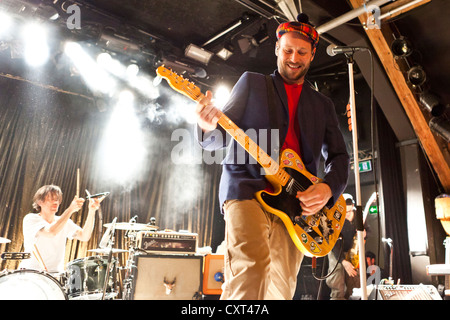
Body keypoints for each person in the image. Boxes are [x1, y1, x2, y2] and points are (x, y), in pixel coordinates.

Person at [195, 14, 349, 300]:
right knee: (250, 271)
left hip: (295, 204)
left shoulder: (322, 105)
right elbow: (220, 135)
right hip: (247, 188)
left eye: (301, 52)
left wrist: (328, 189)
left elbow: (340, 157)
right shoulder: (252, 83)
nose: (293, 57)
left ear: (312, 55)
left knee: (282, 286)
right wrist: (206, 126)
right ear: (277, 49)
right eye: (288, 50)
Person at [20, 184, 103, 274]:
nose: (55, 202)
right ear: (40, 202)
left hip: (55, 274)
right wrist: (70, 209)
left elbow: (84, 236)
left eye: (57, 199)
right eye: (51, 199)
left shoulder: (64, 221)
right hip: (31, 272)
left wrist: (91, 212)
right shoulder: (31, 219)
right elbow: (51, 232)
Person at [326, 193, 359, 299]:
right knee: (337, 281)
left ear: (353, 207)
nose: (348, 214)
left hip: (352, 251)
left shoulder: (358, 215)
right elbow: (333, 243)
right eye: (345, 211)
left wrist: (364, 236)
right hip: (336, 250)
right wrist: (343, 261)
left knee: (354, 281)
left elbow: (367, 231)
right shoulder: (333, 217)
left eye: (350, 211)